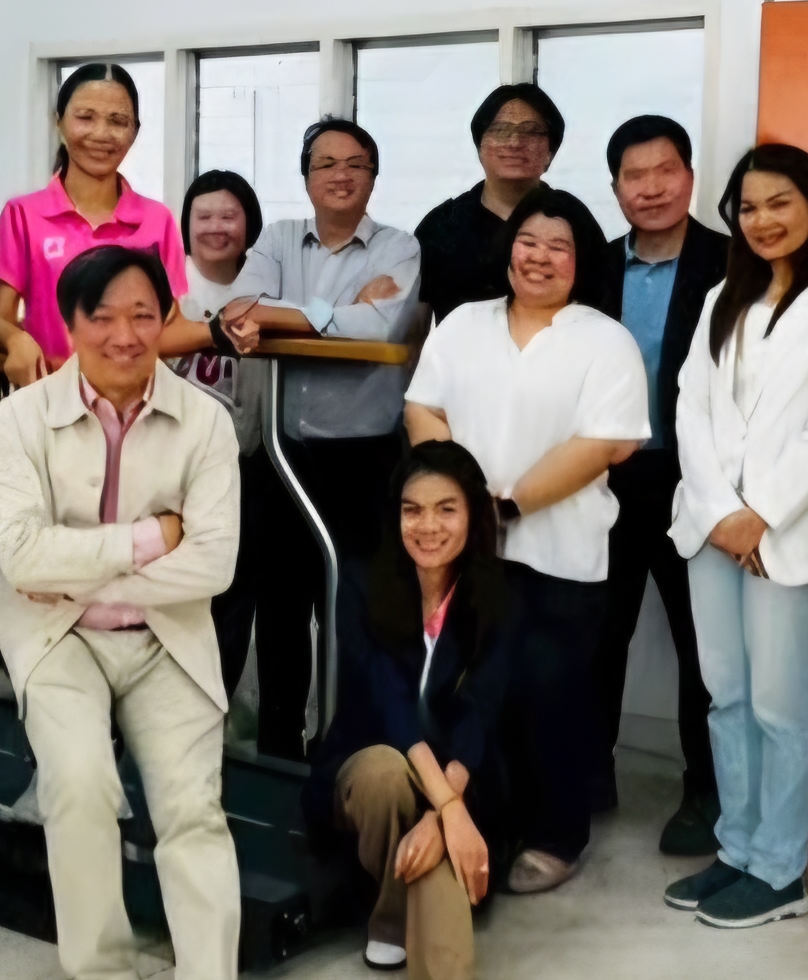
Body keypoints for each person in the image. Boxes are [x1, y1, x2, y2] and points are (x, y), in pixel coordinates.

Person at [0, 245, 252, 980]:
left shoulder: (205, 422)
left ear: (167, 317)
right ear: (69, 323)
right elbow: (19, 559)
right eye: (101, 316)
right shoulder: (19, 420)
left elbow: (213, 565)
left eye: (143, 314)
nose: (125, 335)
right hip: (57, 637)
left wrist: (78, 568)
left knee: (192, 810)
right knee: (80, 787)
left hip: (167, 636)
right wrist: (147, 539)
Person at [663, 145, 808, 929]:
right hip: (712, 529)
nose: (763, 221)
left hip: (787, 535)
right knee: (726, 696)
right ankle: (737, 849)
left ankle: (781, 870)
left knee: (780, 704)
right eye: (749, 208)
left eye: (780, 203)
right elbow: (689, 404)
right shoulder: (723, 296)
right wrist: (722, 512)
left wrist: (761, 511)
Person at [405, 189, 645, 895]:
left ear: (581, 260)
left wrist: (502, 506)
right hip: (469, 556)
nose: (540, 257)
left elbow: (606, 443)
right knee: (476, 698)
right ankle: (487, 825)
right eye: (528, 242)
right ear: (507, 249)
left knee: (553, 700)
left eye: (558, 246)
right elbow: (423, 407)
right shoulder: (463, 324)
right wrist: (460, 508)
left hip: (561, 554)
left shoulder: (605, 339)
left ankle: (557, 835)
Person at [226, 118, 426, 764]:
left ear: (373, 176)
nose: (341, 174)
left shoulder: (399, 247)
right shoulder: (278, 238)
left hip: (365, 459)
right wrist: (337, 314)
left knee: (358, 613)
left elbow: (382, 327)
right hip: (282, 455)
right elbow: (240, 311)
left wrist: (290, 314)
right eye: (326, 163)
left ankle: (345, 755)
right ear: (307, 177)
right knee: (281, 613)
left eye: (355, 164)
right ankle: (280, 753)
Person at [318, 441, 514, 980]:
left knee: (437, 832)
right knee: (385, 772)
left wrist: (443, 812)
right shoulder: (361, 583)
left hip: (460, 775)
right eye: (413, 510)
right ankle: (394, 919)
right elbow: (391, 707)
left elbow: (481, 710)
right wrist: (449, 812)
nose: (427, 526)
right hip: (368, 770)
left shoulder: (498, 593)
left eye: (446, 509)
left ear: (472, 515)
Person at [583, 116, 733, 852]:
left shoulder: (733, 263)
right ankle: (588, 776)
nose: (650, 188)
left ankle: (704, 792)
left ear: (690, 177)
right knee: (595, 636)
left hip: (694, 477)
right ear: (615, 188)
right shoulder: (593, 268)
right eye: (633, 176)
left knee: (702, 645)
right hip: (604, 478)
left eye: (664, 171)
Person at [0, 63, 195, 389]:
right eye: (85, 117)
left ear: (135, 131)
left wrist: (221, 330)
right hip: (50, 399)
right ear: (59, 122)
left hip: (134, 401)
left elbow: (168, 326)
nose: (101, 134)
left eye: (117, 121)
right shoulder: (22, 214)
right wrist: (15, 340)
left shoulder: (157, 220)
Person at [166, 168, 271, 694]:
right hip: (171, 469)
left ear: (249, 224)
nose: (215, 227)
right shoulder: (168, 281)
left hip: (245, 465)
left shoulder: (266, 285)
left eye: (229, 216)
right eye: (203, 216)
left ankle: (216, 709)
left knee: (233, 595)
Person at [415, 83, 563, 321]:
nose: (514, 142)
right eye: (500, 130)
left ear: (550, 152)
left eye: (531, 132)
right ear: (479, 146)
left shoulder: (572, 220)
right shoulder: (442, 225)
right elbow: (414, 329)